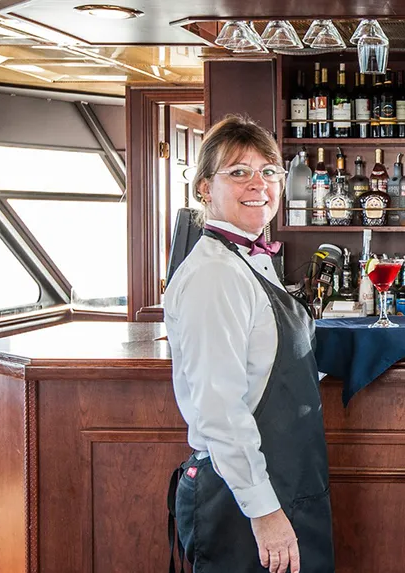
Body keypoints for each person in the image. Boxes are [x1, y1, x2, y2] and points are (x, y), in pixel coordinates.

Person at [164, 115, 334, 573]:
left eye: (269, 171)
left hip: (287, 482)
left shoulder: (246, 262)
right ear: (204, 188)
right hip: (245, 498)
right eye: (238, 172)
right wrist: (264, 512)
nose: (258, 183)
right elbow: (219, 411)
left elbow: (266, 367)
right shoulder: (213, 275)